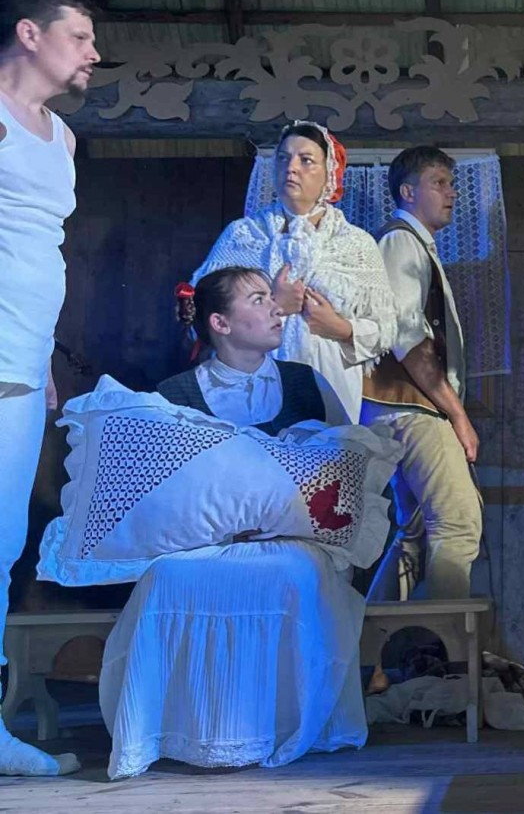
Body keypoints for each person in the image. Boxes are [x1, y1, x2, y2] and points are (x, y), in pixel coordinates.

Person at [100, 267, 368, 778]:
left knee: (292, 574)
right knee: (167, 577)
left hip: (292, 541)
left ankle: (281, 725)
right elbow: (162, 490)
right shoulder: (176, 394)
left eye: (271, 297)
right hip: (204, 543)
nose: (276, 308)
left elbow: (343, 462)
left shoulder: (306, 384)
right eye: (259, 299)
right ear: (220, 323)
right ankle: (178, 729)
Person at [0, 0, 100, 778]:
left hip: (26, 365)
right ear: (30, 34)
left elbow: (42, 251)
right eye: (81, 37)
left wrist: (45, 362)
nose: (94, 52)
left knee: (3, 546)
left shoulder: (62, 138)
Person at [193, 120, 398, 423]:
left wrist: (340, 328)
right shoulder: (243, 236)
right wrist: (276, 303)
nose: (291, 168)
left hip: (329, 382)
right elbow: (204, 313)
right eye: (283, 158)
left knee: (323, 451)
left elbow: (386, 328)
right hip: (248, 384)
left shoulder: (355, 244)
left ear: (329, 173)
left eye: (306, 160)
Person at [361, 146, 482, 601]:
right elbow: (406, 337)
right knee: (457, 522)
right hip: (409, 408)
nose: (451, 193)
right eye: (439, 183)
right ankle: (445, 641)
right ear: (408, 192)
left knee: (412, 534)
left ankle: (376, 643)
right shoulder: (400, 242)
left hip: (400, 409)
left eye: (452, 184)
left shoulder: (414, 244)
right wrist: (457, 414)